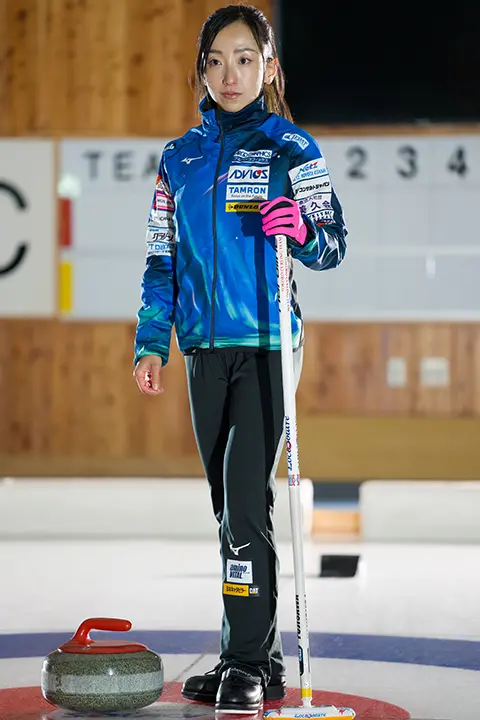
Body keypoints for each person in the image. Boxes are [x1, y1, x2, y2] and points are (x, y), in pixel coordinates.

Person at [133, 4, 347, 714]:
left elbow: (333, 244)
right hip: (202, 350)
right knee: (232, 508)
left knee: (245, 517)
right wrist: (151, 340)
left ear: (269, 68)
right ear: (201, 70)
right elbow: (160, 259)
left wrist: (305, 227)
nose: (231, 74)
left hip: (265, 348)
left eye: (246, 59)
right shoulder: (179, 159)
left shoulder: (293, 148)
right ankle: (253, 658)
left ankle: (247, 660)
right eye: (218, 60)